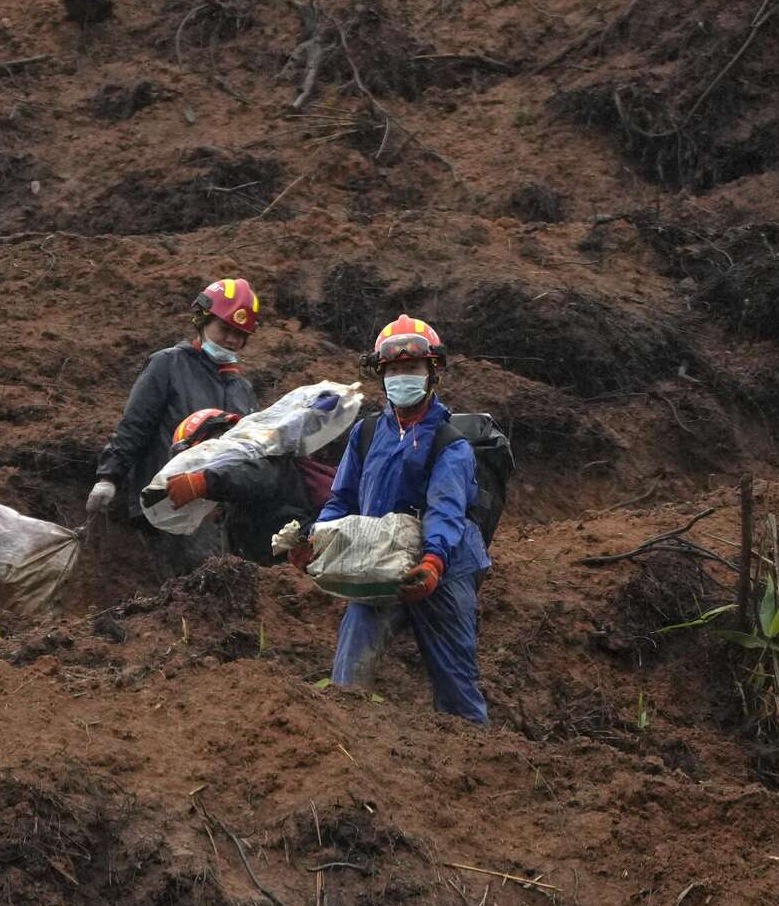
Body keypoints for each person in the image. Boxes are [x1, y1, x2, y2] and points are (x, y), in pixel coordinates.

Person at [297, 315, 489, 725]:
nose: (403, 378)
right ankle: (345, 747)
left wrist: (433, 562)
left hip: (445, 568)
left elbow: (445, 511)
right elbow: (342, 500)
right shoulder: (366, 434)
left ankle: (476, 755)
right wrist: (316, 541)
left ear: (432, 373)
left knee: (456, 685)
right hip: (379, 560)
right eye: (395, 371)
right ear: (382, 377)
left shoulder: (449, 443)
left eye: (412, 370)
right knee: (348, 677)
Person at [88, 278, 262, 577]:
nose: (232, 340)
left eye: (240, 334)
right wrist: (109, 476)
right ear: (202, 320)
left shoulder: (241, 389)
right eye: (225, 329)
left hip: (216, 509)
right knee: (199, 587)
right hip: (169, 502)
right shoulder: (168, 365)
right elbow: (136, 424)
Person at [155, 408, 332, 566]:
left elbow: (252, 477)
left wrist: (204, 483)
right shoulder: (232, 505)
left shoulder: (264, 460)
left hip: (315, 553)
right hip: (290, 573)